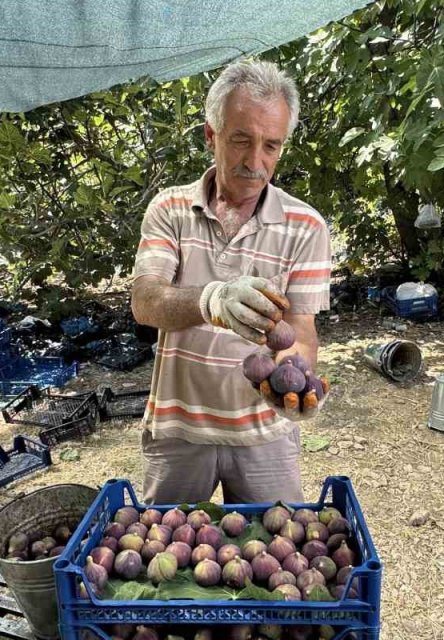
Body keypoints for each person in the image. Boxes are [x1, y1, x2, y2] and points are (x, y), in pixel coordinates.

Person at [129, 60, 330, 505]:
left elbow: (300, 334)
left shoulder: (305, 227)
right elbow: (145, 301)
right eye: (241, 140)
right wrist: (212, 299)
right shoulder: (170, 209)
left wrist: (292, 376)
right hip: (178, 433)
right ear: (211, 136)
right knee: (166, 561)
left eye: (271, 146)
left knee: (278, 559)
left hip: (265, 436)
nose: (255, 162)